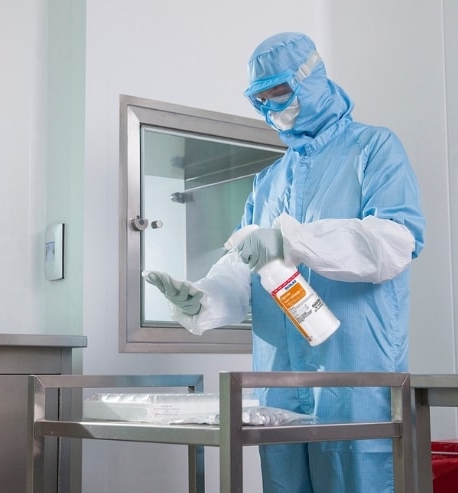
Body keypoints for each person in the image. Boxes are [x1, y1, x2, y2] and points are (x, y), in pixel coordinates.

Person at [144, 32, 425, 493]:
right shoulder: (269, 180)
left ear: (310, 79)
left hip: (353, 378)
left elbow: (395, 241)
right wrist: (204, 298)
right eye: (263, 98)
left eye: (281, 90)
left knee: (359, 477)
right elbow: (242, 269)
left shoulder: (374, 148)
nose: (274, 106)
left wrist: (294, 239)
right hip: (278, 377)